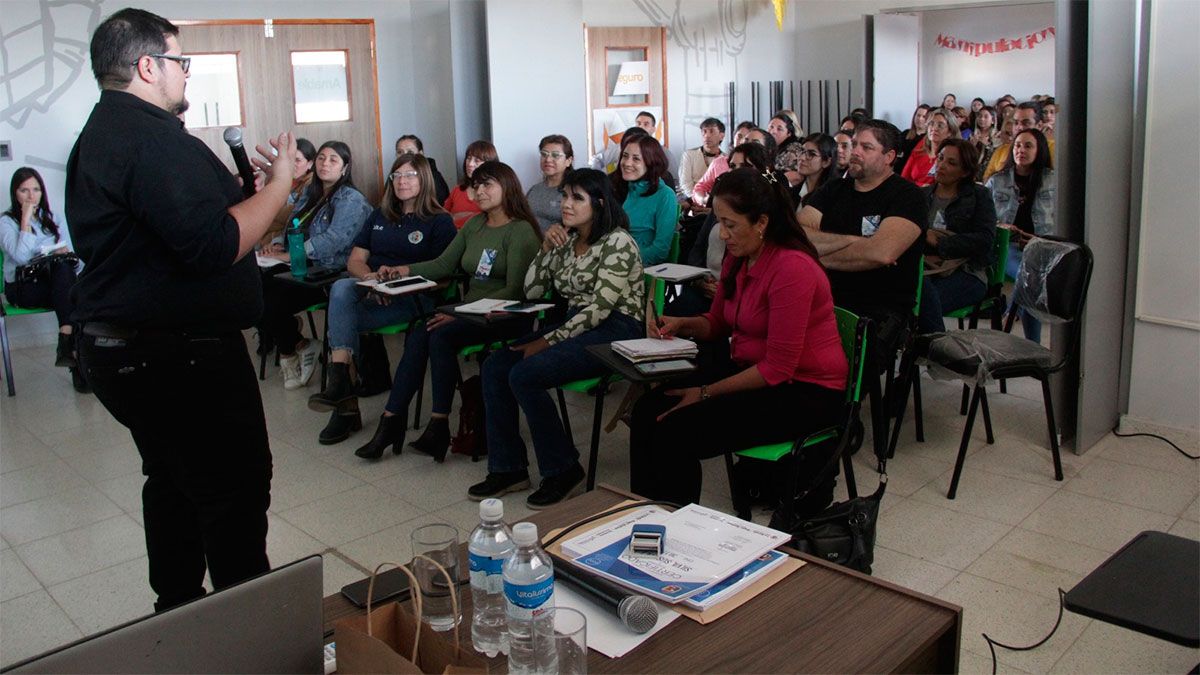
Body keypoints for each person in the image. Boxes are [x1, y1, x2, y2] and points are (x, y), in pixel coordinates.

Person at [66, 8, 300, 611]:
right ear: (149, 66)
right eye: (180, 62)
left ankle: (179, 614)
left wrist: (277, 194)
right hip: (177, 356)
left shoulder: (108, 131)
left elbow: (237, 231)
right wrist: (275, 187)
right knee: (232, 492)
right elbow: (215, 245)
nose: (186, 75)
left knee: (173, 482)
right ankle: (246, 631)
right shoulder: (146, 136)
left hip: (134, 350)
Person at [629, 168, 847, 510]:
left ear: (761, 222)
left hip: (806, 391)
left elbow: (778, 369)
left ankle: (674, 534)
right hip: (757, 372)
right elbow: (718, 323)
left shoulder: (793, 269)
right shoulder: (739, 257)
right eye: (719, 222)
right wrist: (680, 323)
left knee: (676, 431)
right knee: (646, 411)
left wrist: (703, 393)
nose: (722, 233)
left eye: (730, 224)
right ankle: (643, 515)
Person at [474, 169, 645, 507]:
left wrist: (548, 341)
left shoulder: (617, 242)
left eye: (576, 198)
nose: (566, 204)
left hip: (617, 328)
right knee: (495, 365)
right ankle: (509, 467)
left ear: (598, 203)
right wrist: (546, 250)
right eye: (564, 196)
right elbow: (533, 291)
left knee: (525, 374)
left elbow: (599, 309)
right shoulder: (566, 240)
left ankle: (562, 468)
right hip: (576, 323)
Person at [354, 161, 541, 461]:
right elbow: (442, 264)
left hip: (506, 314)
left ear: (508, 188)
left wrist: (460, 313)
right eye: (475, 185)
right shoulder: (475, 225)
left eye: (487, 185)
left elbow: (515, 291)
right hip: (471, 310)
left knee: (439, 335)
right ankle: (394, 419)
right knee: (421, 332)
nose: (478, 191)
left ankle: (436, 424)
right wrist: (404, 269)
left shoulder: (520, 231)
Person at [306, 153, 456, 444]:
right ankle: (340, 383)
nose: (402, 181)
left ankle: (344, 403)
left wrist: (399, 282)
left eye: (410, 175)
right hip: (377, 292)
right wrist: (373, 280)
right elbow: (355, 260)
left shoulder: (439, 222)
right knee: (341, 290)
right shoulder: (379, 215)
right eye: (397, 176)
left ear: (424, 179)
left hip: (415, 300)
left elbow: (444, 275)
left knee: (340, 323)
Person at [799, 119, 926, 368]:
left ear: (889, 156)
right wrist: (856, 243)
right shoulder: (834, 189)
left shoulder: (908, 196)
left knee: (831, 366)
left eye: (866, 147)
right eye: (854, 144)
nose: (854, 151)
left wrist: (817, 254)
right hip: (823, 296)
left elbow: (880, 253)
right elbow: (797, 236)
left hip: (878, 307)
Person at [258, 140, 370, 390]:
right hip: (302, 264)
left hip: (329, 272)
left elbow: (333, 241)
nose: (325, 164)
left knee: (269, 297)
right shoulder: (311, 193)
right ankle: (298, 346)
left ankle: (291, 350)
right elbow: (293, 226)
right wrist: (278, 244)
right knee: (253, 285)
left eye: (333, 160)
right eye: (321, 158)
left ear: (345, 168)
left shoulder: (350, 199)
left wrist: (288, 256)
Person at [0, 167, 86, 390]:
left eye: (36, 189)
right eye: (24, 190)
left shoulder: (52, 218)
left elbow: (73, 255)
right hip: (23, 289)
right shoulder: (6, 223)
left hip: (56, 286)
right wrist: (26, 222)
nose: (31, 196)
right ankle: (75, 358)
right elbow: (20, 257)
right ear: (15, 194)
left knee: (65, 267)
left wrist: (66, 254)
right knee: (71, 295)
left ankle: (69, 343)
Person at [668, 142, 773, 318]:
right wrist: (700, 281)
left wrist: (725, 289)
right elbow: (699, 248)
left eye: (746, 166)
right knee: (673, 313)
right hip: (707, 285)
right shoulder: (723, 201)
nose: (737, 171)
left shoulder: (768, 210)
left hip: (741, 295)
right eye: (733, 166)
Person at [916, 138, 997, 334]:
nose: (941, 165)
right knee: (910, 293)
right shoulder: (921, 195)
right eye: (941, 158)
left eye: (951, 163)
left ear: (965, 171)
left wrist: (940, 242)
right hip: (926, 269)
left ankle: (937, 355)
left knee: (922, 301)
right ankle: (929, 355)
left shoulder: (979, 196)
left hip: (967, 272)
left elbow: (984, 239)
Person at [986, 128, 1055, 342]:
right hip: (1007, 246)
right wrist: (1002, 226)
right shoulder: (997, 181)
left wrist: (1037, 239)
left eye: (1028, 146)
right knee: (1029, 279)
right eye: (1017, 145)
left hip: (1041, 247)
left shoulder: (1052, 181)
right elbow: (984, 219)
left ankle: (1011, 310)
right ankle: (1032, 344)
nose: (1020, 150)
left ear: (1039, 149)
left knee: (1029, 279)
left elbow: (1061, 220)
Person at [612, 134, 677, 266]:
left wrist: (619, 260)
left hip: (638, 268)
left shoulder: (665, 196)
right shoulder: (618, 187)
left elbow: (660, 251)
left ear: (651, 163)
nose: (627, 163)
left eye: (636, 159)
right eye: (625, 156)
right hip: (610, 259)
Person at [257, 137, 315, 253]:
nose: (292, 164)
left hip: (280, 240)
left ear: (310, 164)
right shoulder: (284, 179)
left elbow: (292, 215)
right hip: (264, 236)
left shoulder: (311, 184)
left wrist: (268, 206)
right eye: (290, 159)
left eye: (297, 160)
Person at [981, 101, 1055, 182]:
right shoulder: (1001, 151)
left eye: (1026, 123)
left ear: (1039, 125)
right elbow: (987, 180)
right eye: (1016, 123)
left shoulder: (1053, 149)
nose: (1019, 128)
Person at [690, 120, 755, 207]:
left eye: (747, 139)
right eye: (739, 136)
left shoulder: (757, 165)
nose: (742, 141)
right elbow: (699, 188)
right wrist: (703, 200)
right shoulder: (719, 162)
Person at [525, 134, 574, 231]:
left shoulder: (573, 191)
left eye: (555, 155)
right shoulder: (534, 189)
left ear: (568, 161)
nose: (548, 159)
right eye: (544, 154)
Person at [445, 140, 498, 228]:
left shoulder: (495, 191)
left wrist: (466, 216)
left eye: (477, 160)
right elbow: (442, 215)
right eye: (468, 158)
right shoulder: (457, 190)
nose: (470, 164)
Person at [901, 107, 958, 187]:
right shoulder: (919, 150)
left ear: (950, 131)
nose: (934, 128)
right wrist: (920, 185)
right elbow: (904, 179)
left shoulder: (952, 157)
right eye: (931, 124)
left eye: (940, 125)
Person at [678, 117, 725, 199]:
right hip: (691, 199)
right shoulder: (689, 155)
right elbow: (685, 184)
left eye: (711, 131)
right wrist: (697, 199)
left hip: (716, 201)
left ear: (721, 136)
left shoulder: (725, 159)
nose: (707, 136)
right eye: (704, 131)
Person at [396, 134, 450, 204]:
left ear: (420, 154)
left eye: (410, 152)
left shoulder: (433, 177)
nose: (404, 156)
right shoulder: (394, 176)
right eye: (400, 152)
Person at [794, 133, 839, 205]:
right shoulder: (793, 191)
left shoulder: (834, 194)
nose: (802, 158)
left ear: (826, 162)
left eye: (811, 154)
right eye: (802, 151)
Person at [767, 112, 803, 187]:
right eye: (771, 127)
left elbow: (794, 177)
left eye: (779, 129)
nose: (773, 132)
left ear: (789, 133)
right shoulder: (768, 147)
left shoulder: (793, 149)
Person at [894, 104, 931, 173]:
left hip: (916, 172)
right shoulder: (905, 133)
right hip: (900, 170)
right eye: (918, 115)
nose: (920, 119)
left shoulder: (929, 138)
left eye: (924, 117)